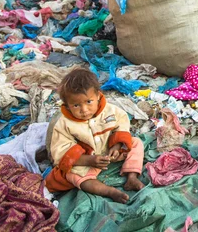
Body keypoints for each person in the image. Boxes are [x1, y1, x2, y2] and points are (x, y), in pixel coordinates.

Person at [46, 68, 144, 203]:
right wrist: (89, 161)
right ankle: (108, 191)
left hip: (110, 152)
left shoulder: (110, 110)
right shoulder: (64, 125)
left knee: (136, 143)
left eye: (88, 102)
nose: (84, 110)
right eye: (76, 105)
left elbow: (122, 123)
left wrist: (117, 145)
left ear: (98, 95)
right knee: (73, 176)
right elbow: (61, 153)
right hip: (86, 161)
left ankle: (132, 178)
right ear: (67, 106)